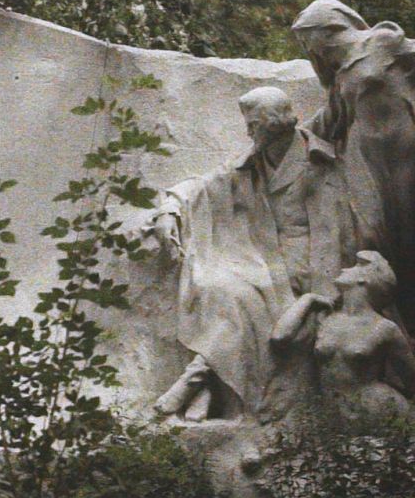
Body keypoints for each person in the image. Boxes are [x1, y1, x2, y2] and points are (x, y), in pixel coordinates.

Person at [148, 86, 374, 422]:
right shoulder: (254, 160)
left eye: (253, 125)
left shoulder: (316, 160)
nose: (248, 132)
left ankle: (197, 382)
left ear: (273, 124)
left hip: (304, 266)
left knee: (250, 303)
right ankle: (208, 383)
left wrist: (327, 287)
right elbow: (206, 184)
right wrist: (170, 207)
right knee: (216, 286)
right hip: (260, 254)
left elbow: (333, 230)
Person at [289, 0, 415, 388]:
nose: (311, 52)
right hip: (362, 158)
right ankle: (384, 333)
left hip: (403, 153)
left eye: (310, 41)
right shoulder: (340, 79)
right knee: (368, 240)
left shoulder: (382, 40)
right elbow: (329, 120)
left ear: (328, 29)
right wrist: (288, 133)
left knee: (409, 237)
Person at [270, 250, 415, 428]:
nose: (346, 268)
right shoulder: (326, 318)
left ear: (365, 279)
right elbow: (279, 337)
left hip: (376, 412)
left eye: (357, 265)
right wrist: (308, 299)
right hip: (330, 413)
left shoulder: (384, 328)